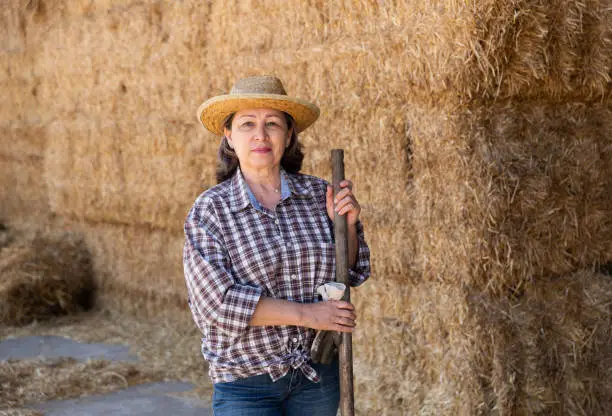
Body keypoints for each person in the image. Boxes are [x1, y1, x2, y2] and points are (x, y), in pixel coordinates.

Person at [183, 75, 371, 415]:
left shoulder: (319, 195)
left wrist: (348, 228)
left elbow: (349, 274)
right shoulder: (210, 210)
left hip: (318, 375)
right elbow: (216, 305)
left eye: (272, 123)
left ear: (288, 134)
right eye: (247, 124)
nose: (260, 135)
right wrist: (310, 315)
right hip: (246, 383)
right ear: (228, 136)